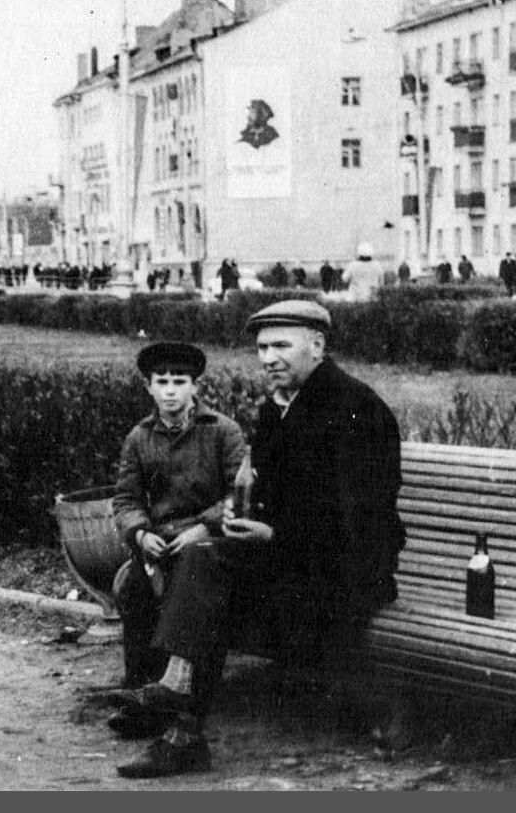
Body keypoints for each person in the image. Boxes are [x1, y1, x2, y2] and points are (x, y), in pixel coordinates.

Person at [112, 300, 405, 779]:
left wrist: (274, 532)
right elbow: (269, 493)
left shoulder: (357, 409)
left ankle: (179, 710)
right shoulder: (278, 407)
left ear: (318, 345)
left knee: (208, 574)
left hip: (348, 570)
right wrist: (241, 515)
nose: (269, 358)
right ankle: (181, 719)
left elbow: (366, 521)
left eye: (281, 346)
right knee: (204, 558)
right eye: (263, 348)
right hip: (292, 558)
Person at [109, 342, 247, 732]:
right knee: (135, 589)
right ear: (148, 387)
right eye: (162, 382)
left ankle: (176, 697)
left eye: (179, 382)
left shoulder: (222, 431)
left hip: (210, 543)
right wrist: (140, 534)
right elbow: (126, 499)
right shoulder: (139, 437)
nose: (170, 391)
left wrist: (205, 526)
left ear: (195, 386)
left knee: (189, 572)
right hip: (161, 541)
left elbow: (240, 494)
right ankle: (140, 693)